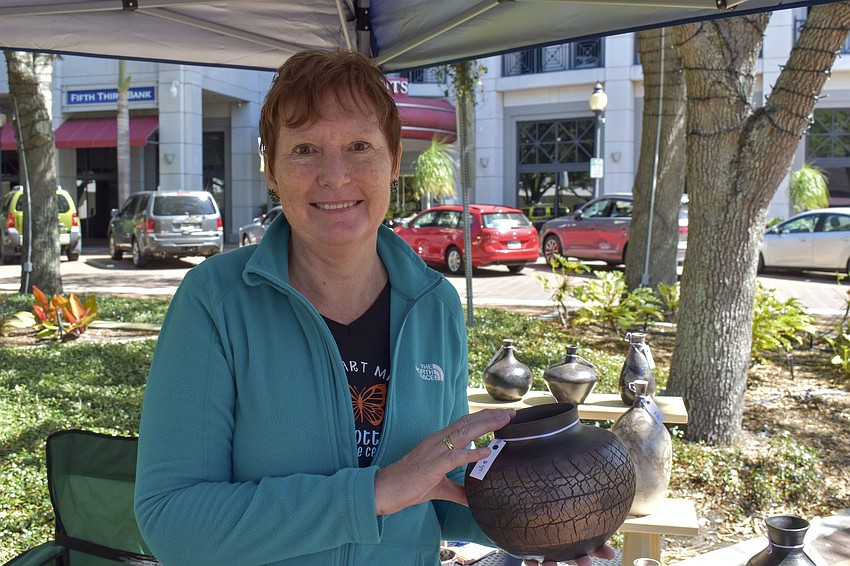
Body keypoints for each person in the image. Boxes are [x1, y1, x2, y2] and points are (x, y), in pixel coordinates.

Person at [134, 49, 612, 566]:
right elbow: (171, 521)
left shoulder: (435, 305)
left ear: (394, 160)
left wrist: (544, 530)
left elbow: (438, 490)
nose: (335, 175)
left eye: (360, 146)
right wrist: (373, 494)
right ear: (270, 168)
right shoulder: (216, 301)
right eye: (305, 149)